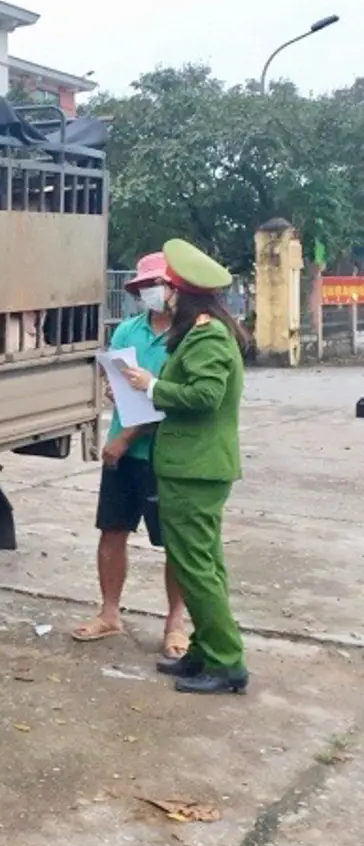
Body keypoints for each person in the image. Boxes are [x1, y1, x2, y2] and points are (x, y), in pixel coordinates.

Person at [123, 239, 249, 695]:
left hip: (195, 469)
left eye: (169, 289)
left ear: (184, 293)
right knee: (202, 564)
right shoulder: (203, 331)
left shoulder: (208, 335)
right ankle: (206, 649)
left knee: (196, 567)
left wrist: (152, 385)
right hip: (192, 467)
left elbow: (205, 396)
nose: (163, 297)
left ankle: (226, 661)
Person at [72, 253, 187, 658]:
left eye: (156, 286)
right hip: (123, 451)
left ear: (175, 288)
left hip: (164, 452)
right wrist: (114, 393)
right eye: (143, 288)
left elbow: (170, 399)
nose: (149, 294)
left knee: (175, 541)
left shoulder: (187, 337)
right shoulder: (128, 330)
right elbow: (120, 382)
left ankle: (175, 623)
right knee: (112, 530)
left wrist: (124, 438)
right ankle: (109, 612)